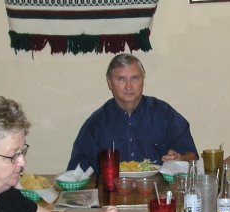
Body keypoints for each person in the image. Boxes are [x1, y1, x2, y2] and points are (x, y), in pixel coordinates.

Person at [66, 53, 198, 173]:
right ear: (110, 83)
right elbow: (76, 173)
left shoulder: (164, 114)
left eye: (135, 78)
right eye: (121, 79)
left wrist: (180, 158)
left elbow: (192, 156)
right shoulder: (96, 124)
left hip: (158, 195)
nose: (129, 87)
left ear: (143, 80)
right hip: (112, 197)